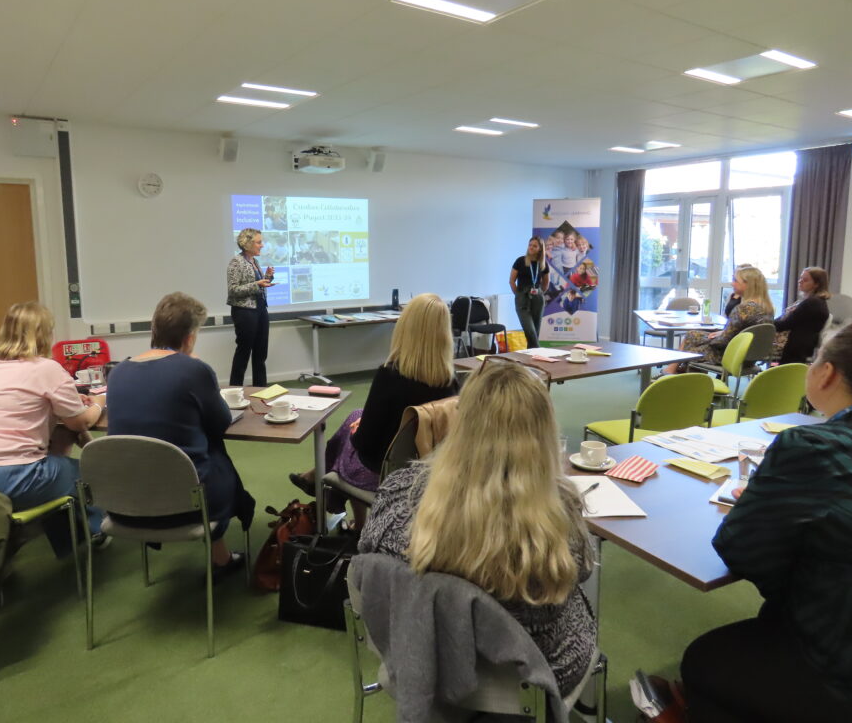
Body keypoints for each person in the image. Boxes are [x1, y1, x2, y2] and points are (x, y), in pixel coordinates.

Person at [681, 321, 852, 722]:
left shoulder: (814, 447)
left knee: (704, 660)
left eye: (815, 359)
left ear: (826, 374)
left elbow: (740, 550)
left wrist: (766, 507)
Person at [359, 360, 597, 698]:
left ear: (463, 421)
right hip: (534, 676)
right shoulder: (560, 516)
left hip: (424, 656)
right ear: (543, 432)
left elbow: (367, 558)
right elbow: (581, 572)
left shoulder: (398, 494)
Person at [107, 292, 254, 574]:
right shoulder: (193, 370)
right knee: (212, 452)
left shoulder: (117, 373)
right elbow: (221, 422)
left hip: (126, 501)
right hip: (188, 501)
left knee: (195, 450)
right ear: (189, 338)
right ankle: (222, 559)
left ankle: (220, 556)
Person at [0, 302, 106, 553]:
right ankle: (93, 532)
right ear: (44, 333)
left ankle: (71, 539)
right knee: (87, 472)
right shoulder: (46, 368)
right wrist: (98, 402)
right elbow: (81, 421)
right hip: (7, 477)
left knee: (57, 455)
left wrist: (67, 398)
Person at [289, 293, 459, 529]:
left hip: (384, 475)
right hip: (426, 473)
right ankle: (319, 482)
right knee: (356, 415)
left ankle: (335, 499)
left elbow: (365, 445)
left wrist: (358, 430)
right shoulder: (451, 384)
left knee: (348, 431)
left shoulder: (389, 376)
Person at [662, 266, 774, 374]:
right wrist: (719, 333)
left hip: (732, 357)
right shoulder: (766, 308)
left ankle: (680, 376)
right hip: (749, 358)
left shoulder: (744, 309)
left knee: (691, 346)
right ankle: (678, 372)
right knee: (692, 335)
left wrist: (709, 338)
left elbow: (722, 342)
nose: (732, 283)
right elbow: (743, 332)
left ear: (747, 284)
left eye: (735, 280)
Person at [226, 228, 274, 386]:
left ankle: (261, 389)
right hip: (245, 313)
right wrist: (256, 284)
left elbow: (256, 286)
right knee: (243, 353)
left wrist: (267, 277)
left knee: (261, 354)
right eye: (259, 242)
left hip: (260, 310)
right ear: (247, 243)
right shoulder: (236, 262)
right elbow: (233, 290)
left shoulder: (254, 261)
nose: (262, 245)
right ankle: (234, 390)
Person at [772, 266, 830, 364]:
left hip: (796, 349)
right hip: (801, 345)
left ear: (816, 284)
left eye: (805, 280)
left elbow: (784, 324)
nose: (800, 281)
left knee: (755, 342)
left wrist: (766, 322)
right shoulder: (815, 301)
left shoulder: (812, 303)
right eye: (800, 278)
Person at [510, 236, 550, 349]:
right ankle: (540, 354)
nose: (531, 248)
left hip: (537, 297)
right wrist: (518, 295)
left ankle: (531, 361)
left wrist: (539, 293)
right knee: (530, 331)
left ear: (540, 249)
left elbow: (546, 283)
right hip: (522, 297)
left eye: (534, 246)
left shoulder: (543, 264)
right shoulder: (520, 261)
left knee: (534, 334)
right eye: (530, 245)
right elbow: (512, 281)